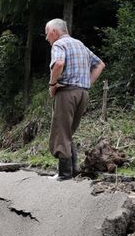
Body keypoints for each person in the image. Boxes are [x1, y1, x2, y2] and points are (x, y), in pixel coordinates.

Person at [45, 19, 105, 180]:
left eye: (47, 33)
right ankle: (73, 170)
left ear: (54, 32)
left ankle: (64, 174)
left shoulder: (59, 44)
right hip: (82, 93)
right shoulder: (80, 44)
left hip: (66, 92)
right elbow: (100, 64)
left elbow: (58, 63)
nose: (46, 38)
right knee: (68, 132)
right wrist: (87, 82)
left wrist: (52, 84)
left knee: (61, 132)